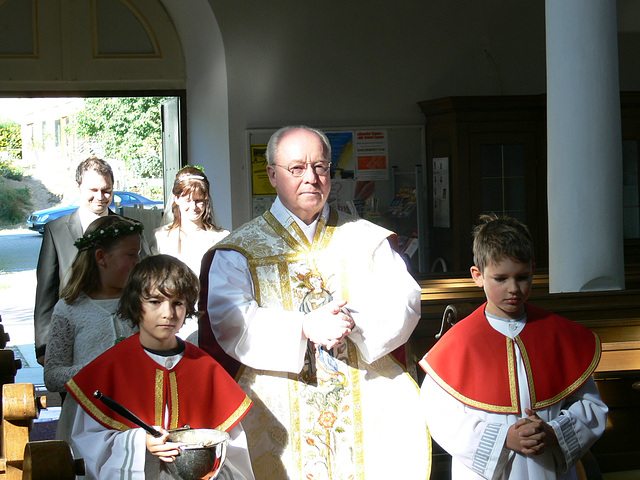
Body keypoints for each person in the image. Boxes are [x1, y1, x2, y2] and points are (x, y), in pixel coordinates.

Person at [203, 125, 431, 479]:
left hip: (367, 403)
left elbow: (404, 300)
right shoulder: (239, 250)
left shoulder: (367, 239)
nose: (311, 178)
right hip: (277, 408)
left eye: (321, 167)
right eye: (297, 168)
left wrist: (352, 321)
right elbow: (232, 320)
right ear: (272, 175)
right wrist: (305, 326)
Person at [419, 214, 608, 479]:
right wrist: (505, 438)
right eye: (500, 278)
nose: (513, 289)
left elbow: (591, 406)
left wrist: (554, 432)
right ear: (478, 276)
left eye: (522, 277)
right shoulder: (458, 344)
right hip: (489, 471)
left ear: (533, 269)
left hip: (547, 466)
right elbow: (441, 416)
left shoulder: (559, 335)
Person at [66, 254, 255, 480]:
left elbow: (233, 451)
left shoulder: (206, 370)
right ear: (136, 305)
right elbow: (87, 445)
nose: (168, 314)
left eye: (178, 303)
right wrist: (138, 443)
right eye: (155, 302)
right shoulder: (109, 369)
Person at [44, 215, 143, 452]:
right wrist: (99, 368)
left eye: (139, 253)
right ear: (101, 257)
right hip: (86, 419)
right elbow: (53, 375)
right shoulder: (70, 308)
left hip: (136, 414)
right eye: (131, 255)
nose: (138, 262)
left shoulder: (142, 302)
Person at [35, 157, 116, 364]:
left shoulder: (130, 229)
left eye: (106, 190)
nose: (100, 196)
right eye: (93, 190)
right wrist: (43, 346)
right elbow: (46, 291)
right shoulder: (56, 230)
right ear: (79, 187)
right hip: (71, 338)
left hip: (117, 337)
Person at [154, 166, 229, 342]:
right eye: (188, 200)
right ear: (177, 199)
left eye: (199, 200)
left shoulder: (221, 238)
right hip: (169, 315)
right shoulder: (159, 237)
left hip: (206, 315)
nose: (194, 207)